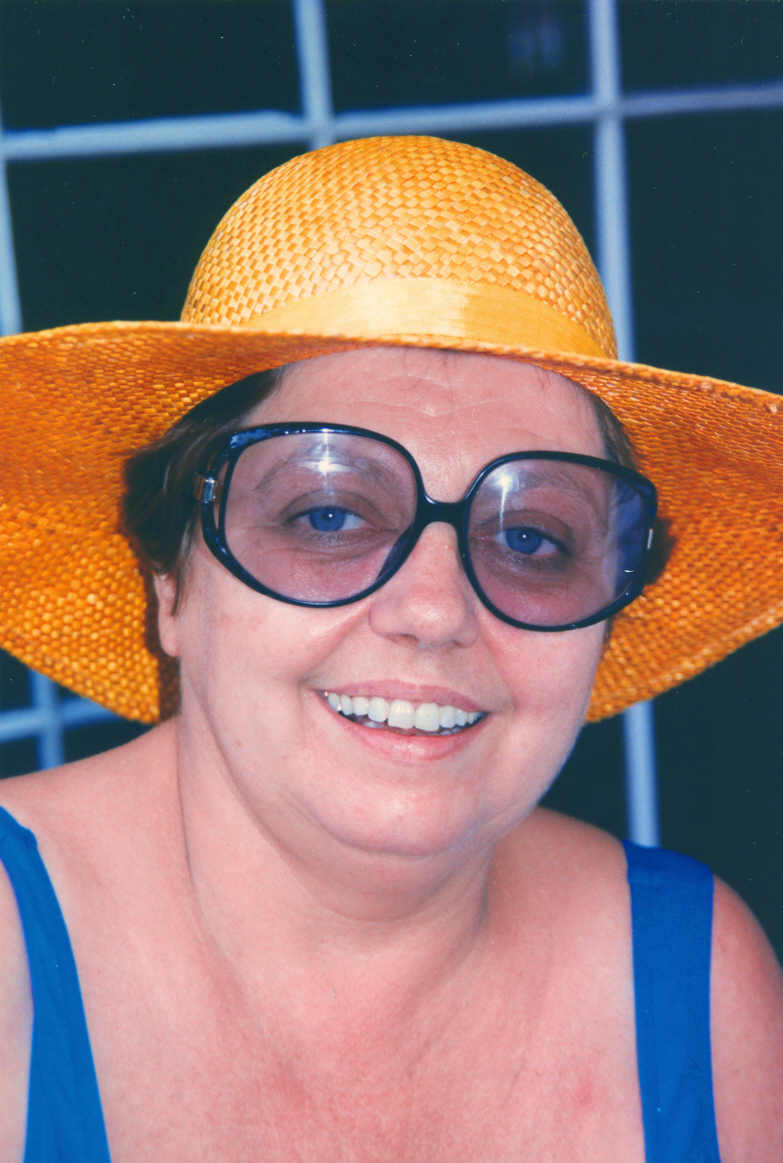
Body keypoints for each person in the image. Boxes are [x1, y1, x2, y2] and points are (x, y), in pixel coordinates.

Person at [0, 135, 780, 1162]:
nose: (434, 608)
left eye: (533, 536)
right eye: (329, 513)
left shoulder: (701, 983)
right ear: (171, 583)